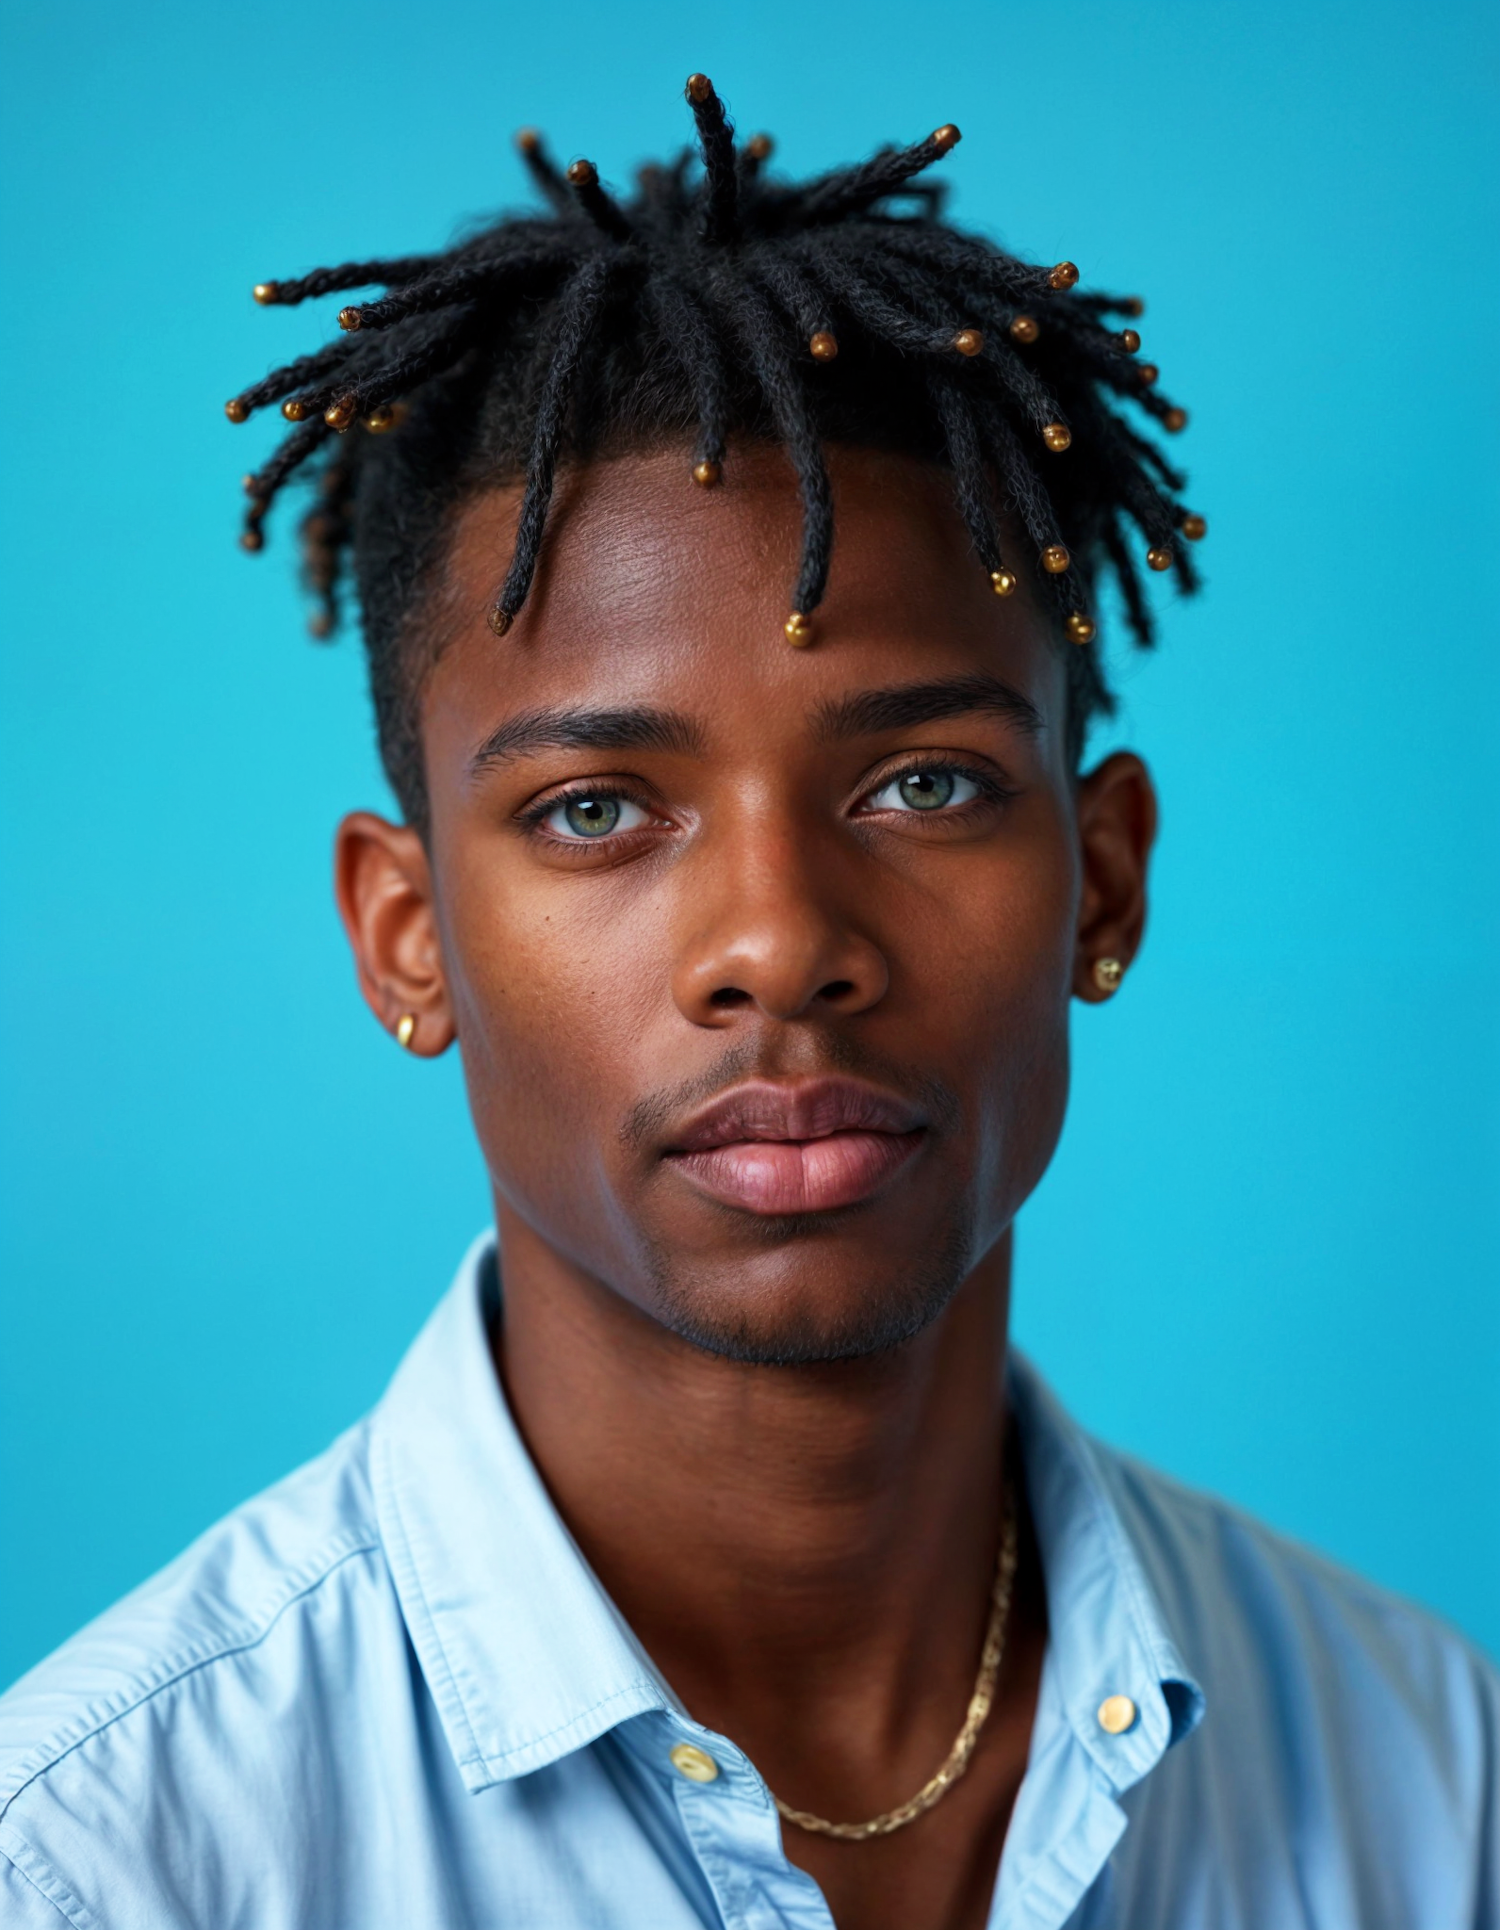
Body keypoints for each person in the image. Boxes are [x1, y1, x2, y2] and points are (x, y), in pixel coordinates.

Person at [0, 74, 1494, 1930]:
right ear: (408, 936)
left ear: (1102, 880)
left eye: (925, 782)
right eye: (597, 809)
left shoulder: (1431, 1768)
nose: (781, 943)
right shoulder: (100, 1858)